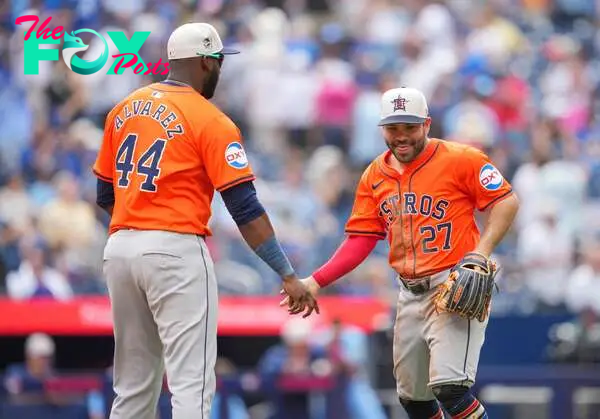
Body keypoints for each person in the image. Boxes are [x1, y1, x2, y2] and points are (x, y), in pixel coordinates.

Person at [92, 22, 318, 419]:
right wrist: (286, 274)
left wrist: (140, 224)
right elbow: (245, 208)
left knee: (131, 388)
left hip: (121, 249)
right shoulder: (211, 119)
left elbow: (104, 195)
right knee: (191, 386)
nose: (219, 69)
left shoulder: (123, 109)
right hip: (175, 250)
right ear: (202, 62)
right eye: (216, 61)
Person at [282, 87, 519, 419]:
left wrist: (481, 253)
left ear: (427, 124)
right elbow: (361, 239)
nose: (401, 136)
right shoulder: (374, 174)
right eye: (394, 128)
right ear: (382, 129)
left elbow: (506, 201)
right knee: (414, 401)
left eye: (410, 127)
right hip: (408, 293)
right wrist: (316, 280)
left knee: (451, 390)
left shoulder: (462, 158)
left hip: (453, 285)